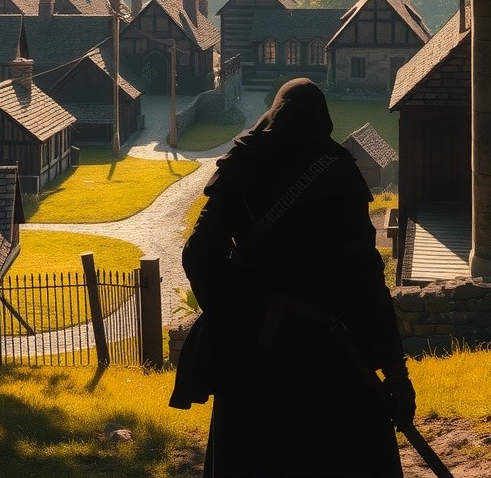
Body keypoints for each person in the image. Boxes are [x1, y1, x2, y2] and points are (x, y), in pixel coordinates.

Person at [169, 78, 415, 478]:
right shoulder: (339, 174)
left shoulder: (243, 164)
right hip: (329, 354)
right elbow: (367, 282)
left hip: (252, 354)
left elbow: (199, 254)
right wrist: (396, 375)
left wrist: (231, 315)